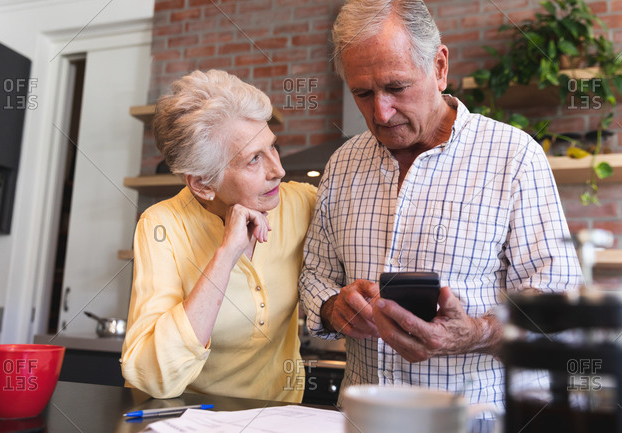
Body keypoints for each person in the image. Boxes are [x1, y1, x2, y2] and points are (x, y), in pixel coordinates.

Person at [299, 0, 582, 407]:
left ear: (439, 67)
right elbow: (315, 275)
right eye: (363, 93)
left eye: (397, 87)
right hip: (363, 419)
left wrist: (477, 333)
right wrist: (332, 308)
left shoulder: (514, 156)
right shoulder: (342, 164)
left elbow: (558, 308)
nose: (381, 112)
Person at [121, 70, 317, 402]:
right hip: (186, 417)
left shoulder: (302, 203)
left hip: (276, 418)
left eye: (273, 148)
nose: (278, 170)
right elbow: (155, 376)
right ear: (202, 184)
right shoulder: (162, 225)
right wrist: (226, 254)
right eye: (254, 159)